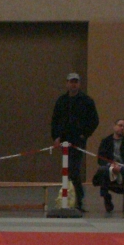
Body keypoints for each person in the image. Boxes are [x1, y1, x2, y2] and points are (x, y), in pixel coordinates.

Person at [51, 72, 99, 211]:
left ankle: (79, 199)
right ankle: (69, 199)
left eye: (76, 82)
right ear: (67, 83)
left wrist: (84, 134)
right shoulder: (61, 101)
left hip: (78, 141)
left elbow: (94, 120)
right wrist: (56, 137)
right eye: (71, 82)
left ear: (79, 84)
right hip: (64, 141)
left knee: (74, 170)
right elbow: (55, 120)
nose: (73, 84)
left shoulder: (87, 101)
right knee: (67, 170)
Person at [92, 119, 124, 213]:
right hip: (109, 166)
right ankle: (106, 197)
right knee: (102, 169)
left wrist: (121, 166)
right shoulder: (105, 141)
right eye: (120, 125)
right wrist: (111, 165)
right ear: (114, 126)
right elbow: (101, 159)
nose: (122, 128)